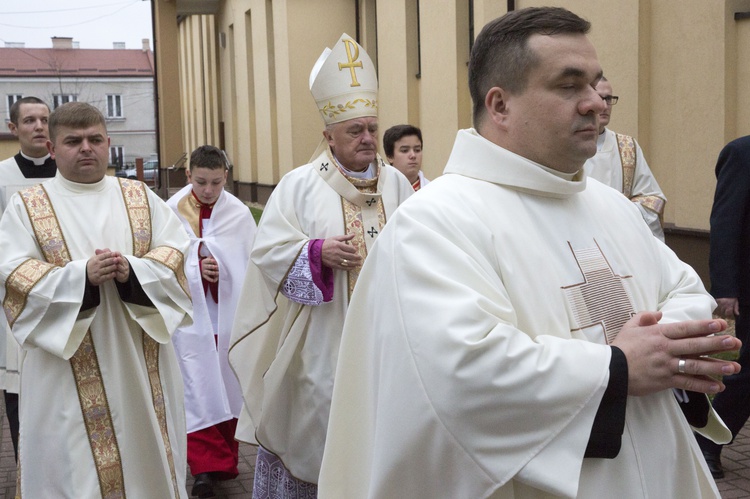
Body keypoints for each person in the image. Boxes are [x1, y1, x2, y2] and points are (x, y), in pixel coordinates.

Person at [318, 8, 740, 498]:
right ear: (499, 105)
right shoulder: (434, 221)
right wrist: (617, 369)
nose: (595, 104)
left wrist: (669, 348)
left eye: (597, 85)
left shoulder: (611, 207)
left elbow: (684, 287)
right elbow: (459, 375)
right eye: (569, 86)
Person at [228, 33, 413, 497]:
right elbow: (266, 252)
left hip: (389, 340)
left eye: (372, 128)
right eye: (355, 130)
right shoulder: (299, 186)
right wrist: (316, 254)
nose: (368, 138)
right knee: (321, 436)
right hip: (320, 345)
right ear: (328, 136)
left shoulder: (398, 187)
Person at [0, 101, 193, 498]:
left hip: (140, 363)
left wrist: (133, 272)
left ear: (108, 143)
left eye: (94, 139)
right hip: (64, 373)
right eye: (73, 141)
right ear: (53, 149)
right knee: (73, 472)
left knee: (148, 461)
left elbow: (175, 252)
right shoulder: (28, 206)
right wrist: (80, 278)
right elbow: (13, 272)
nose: (86, 148)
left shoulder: (139, 196)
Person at [167, 145, 257, 498]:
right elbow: (161, 259)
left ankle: (224, 461)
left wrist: (224, 271)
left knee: (226, 385)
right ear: (188, 176)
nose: (208, 190)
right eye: (201, 182)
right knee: (194, 385)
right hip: (189, 322)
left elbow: (250, 263)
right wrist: (194, 269)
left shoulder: (238, 213)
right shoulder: (170, 211)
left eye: (216, 183)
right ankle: (203, 467)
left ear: (226, 178)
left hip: (226, 316)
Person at [0, 96, 57, 460]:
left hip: (62, 296)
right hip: (14, 301)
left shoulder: (66, 172)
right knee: (19, 388)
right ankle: (27, 470)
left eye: (45, 120)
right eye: (30, 120)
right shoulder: (2, 176)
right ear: (13, 128)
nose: (38, 126)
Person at [695, 135, 750, 479]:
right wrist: (726, 288)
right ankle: (707, 443)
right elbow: (726, 222)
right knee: (748, 375)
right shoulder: (742, 153)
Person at [583, 77, 667, 240]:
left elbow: (653, 198)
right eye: (600, 98)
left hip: (621, 238)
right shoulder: (566, 145)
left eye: (609, 98)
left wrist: (618, 213)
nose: (605, 106)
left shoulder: (627, 146)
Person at [383, 124, 430, 190]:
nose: (413, 155)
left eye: (417, 150)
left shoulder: (434, 191)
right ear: (389, 156)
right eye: (405, 151)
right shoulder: (380, 191)